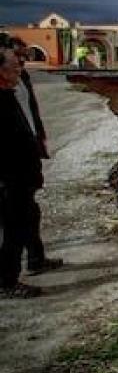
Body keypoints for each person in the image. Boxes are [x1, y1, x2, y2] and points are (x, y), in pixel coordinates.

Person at [8, 37, 63, 275]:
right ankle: (7, 279)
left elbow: (31, 111)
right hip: (9, 165)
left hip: (27, 153)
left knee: (30, 212)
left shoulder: (21, 79)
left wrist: (39, 137)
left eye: (25, 56)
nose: (23, 60)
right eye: (17, 55)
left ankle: (36, 259)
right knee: (13, 221)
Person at [0, 48, 43, 297]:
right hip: (9, 180)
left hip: (21, 178)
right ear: (1, 71)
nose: (20, 70)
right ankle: (7, 282)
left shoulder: (9, 95)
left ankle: (35, 260)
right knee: (12, 232)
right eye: (14, 66)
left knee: (27, 220)